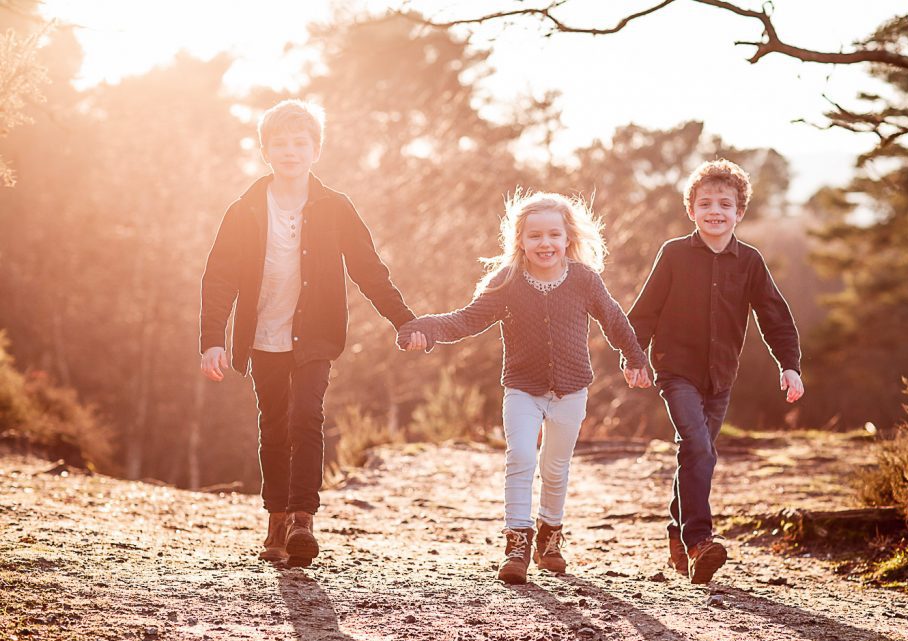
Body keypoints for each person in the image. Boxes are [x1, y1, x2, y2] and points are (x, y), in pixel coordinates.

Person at [199, 99, 415, 567]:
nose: (291, 151)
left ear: (316, 150)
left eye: (301, 143)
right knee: (273, 425)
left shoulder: (336, 208)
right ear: (266, 151)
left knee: (306, 417)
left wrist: (404, 319)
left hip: (315, 334)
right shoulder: (245, 210)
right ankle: (275, 521)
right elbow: (219, 277)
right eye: (281, 143)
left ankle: (302, 519)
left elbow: (368, 270)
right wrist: (213, 339)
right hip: (262, 336)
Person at [399, 190, 650, 584]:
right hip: (522, 388)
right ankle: (517, 545)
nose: (545, 243)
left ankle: (550, 538)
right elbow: (467, 319)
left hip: (571, 388)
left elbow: (614, 319)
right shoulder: (508, 281)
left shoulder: (584, 279)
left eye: (553, 235)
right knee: (520, 457)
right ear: (520, 240)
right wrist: (425, 329)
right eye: (535, 236)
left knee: (555, 468)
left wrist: (634, 357)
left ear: (568, 238)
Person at [628, 158, 804, 584]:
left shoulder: (750, 262)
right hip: (676, 371)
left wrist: (790, 365)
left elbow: (774, 315)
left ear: (739, 213)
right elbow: (645, 311)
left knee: (695, 453)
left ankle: (677, 531)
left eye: (725, 204)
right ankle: (700, 541)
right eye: (705, 202)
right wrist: (634, 358)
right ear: (690, 209)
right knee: (699, 448)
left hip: (721, 376)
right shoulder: (673, 254)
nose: (715, 211)